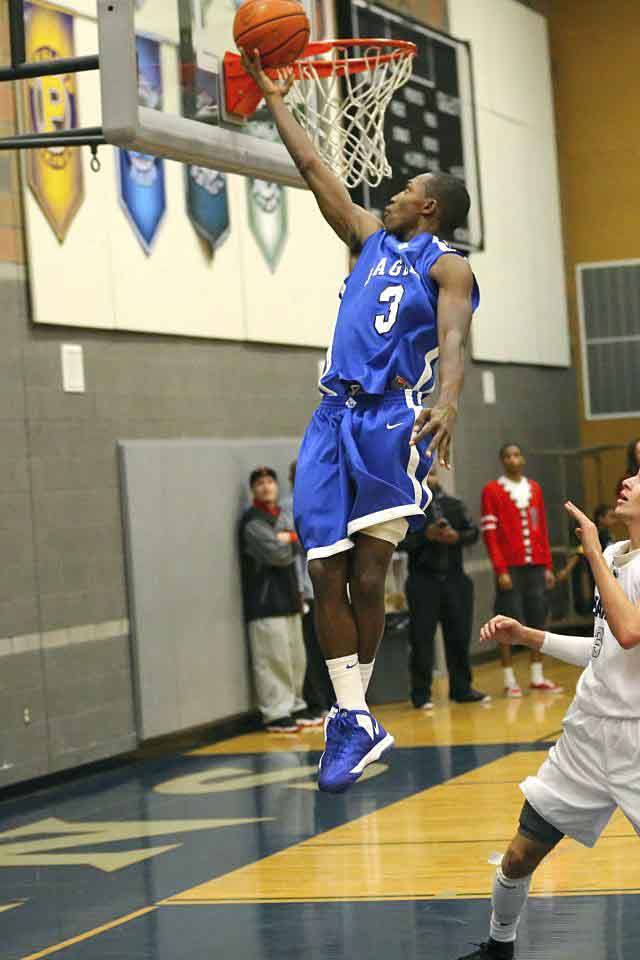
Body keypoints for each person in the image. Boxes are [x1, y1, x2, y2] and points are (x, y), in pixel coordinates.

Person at [240, 50, 479, 793]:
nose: (394, 193)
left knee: (371, 577)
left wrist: (449, 400)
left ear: (430, 207)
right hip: (331, 415)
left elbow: (454, 338)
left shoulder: (448, 266)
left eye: (407, 190)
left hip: (390, 417)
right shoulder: (368, 237)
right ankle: (353, 716)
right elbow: (315, 168)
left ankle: (355, 715)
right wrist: (278, 98)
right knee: (323, 569)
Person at [456, 471, 640, 959]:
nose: (627, 479)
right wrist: (529, 636)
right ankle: (499, 946)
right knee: (518, 856)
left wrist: (593, 553)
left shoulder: (612, 561)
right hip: (586, 736)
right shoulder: (621, 560)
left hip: (638, 741)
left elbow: (629, 632)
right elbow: (605, 648)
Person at [402, 469, 489, 709]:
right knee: (421, 639)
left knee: (459, 637)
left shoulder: (455, 504)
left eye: (432, 473)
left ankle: (461, 688)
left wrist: (456, 537)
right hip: (423, 581)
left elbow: (473, 533)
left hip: (455, 579)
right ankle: (421, 694)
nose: (429, 478)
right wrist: (425, 536)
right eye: (423, 474)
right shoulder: (409, 507)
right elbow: (399, 542)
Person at [481, 443, 562, 697]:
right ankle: (509, 679)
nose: (513, 459)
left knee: (538, 617)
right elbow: (490, 534)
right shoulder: (492, 490)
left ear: (523, 459)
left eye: (516, 455)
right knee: (507, 618)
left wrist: (548, 565)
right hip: (511, 568)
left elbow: (542, 527)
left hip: (535, 565)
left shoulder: (534, 489)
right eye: (507, 456)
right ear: (501, 461)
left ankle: (537, 675)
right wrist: (500, 569)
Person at [240, 466, 310, 733]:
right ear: (253, 490)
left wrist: (289, 538)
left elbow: (303, 541)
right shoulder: (252, 521)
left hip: (290, 598)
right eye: (260, 483)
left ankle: (294, 703)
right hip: (265, 603)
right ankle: (276, 712)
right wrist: (293, 541)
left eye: (270, 481)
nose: (266, 486)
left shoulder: (282, 516)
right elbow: (277, 554)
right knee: (272, 659)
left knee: (295, 657)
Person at [285, 461, 334, 719]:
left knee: (330, 645)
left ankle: (335, 700)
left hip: (326, 586)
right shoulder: (288, 507)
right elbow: (297, 545)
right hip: (305, 588)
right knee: (309, 649)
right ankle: (317, 701)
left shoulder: (325, 501)